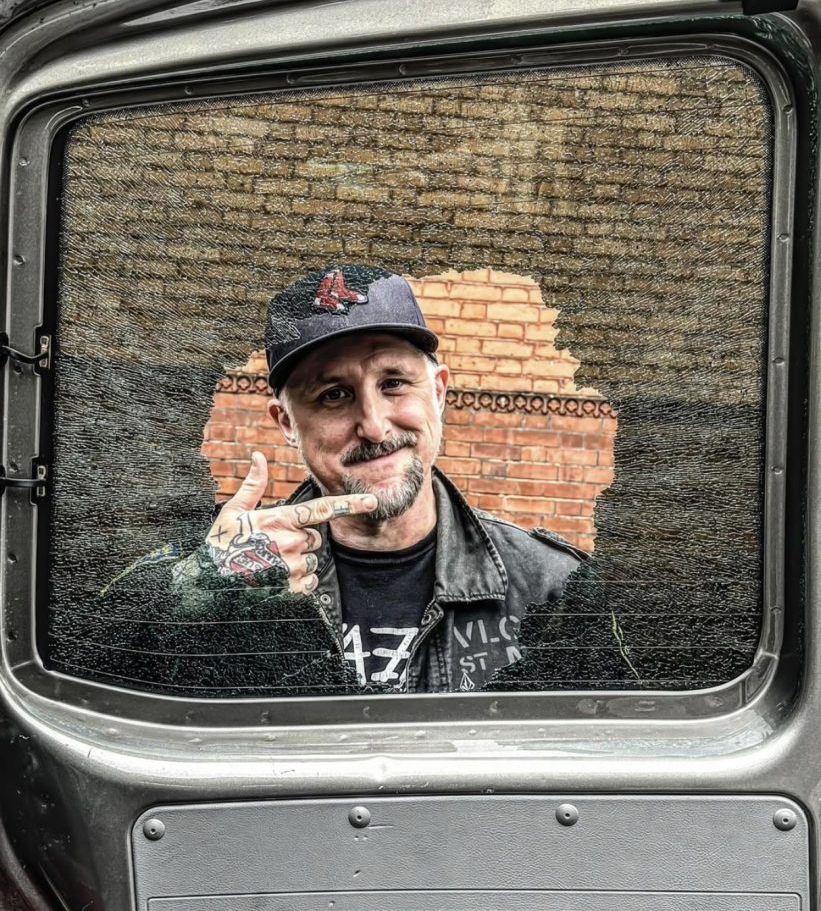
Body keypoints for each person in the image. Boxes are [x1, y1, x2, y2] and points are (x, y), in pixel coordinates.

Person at [102, 265, 632, 694]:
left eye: (395, 383)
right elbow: (83, 672)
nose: (375, 425)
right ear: (286, 423)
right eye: (334, 395)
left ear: (440, 393)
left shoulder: (551, 586)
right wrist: (202, 592)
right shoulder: (218, 577)